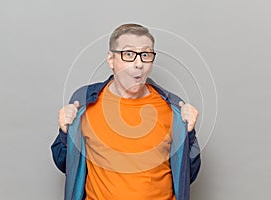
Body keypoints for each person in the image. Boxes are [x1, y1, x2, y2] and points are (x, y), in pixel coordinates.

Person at [51, 23, 201, 200]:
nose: (138, 64)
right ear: (111, 59)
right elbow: (66, 164)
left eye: (145, 55)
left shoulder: (173, 108)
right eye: (128, 54)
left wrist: (189, 134)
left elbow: (188, 174)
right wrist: (65, 132)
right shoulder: (83, 102)